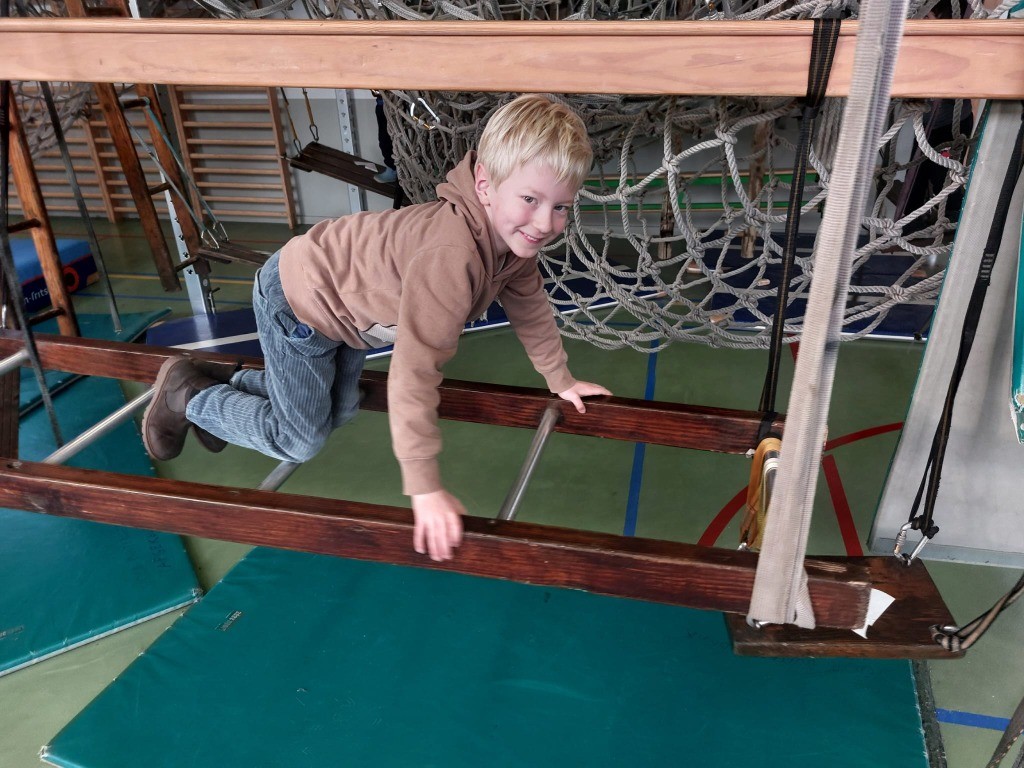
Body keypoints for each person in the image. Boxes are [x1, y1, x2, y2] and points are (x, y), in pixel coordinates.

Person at [141, 94, 612, 563]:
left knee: (343, 407)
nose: (544, 223)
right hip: (302, 299)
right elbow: (415, 372)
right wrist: (424, 486)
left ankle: (219, 385)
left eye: (560, 207)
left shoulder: (512, 246)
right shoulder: (451, 258)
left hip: (348, 313)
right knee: (298, 440)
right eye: (530, 200)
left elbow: (530, 307)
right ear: (485, 186)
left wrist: (560, 378)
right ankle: (190, 396)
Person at [372, 90, 398, 184]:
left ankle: (393, 169)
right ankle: (392, 169)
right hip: (383, 105)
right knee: (384, 140)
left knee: (391, 140)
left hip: (398, 106)